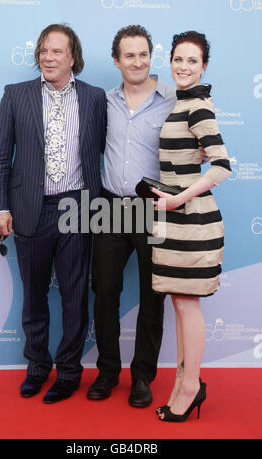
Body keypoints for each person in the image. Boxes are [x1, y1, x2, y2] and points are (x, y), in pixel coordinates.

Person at [0, 24, 107, 403]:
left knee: (75, 296)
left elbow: (117, 145)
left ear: (73, 57)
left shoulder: (95, 98)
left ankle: (69, 372)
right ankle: (37, 367)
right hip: (29, 210)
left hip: (78, 207)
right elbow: (0, 156)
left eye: (57, 51)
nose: (48, 57)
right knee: (34, 296)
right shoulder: (16, 95)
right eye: (43, 50)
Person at [87, 25, 176, 407]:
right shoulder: (103, 102)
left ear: (150, 56)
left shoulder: (172, 100)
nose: (137, 62)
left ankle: (142, 377)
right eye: (129, 55)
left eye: (143, 54)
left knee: (152, 295)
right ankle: (107, 372)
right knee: (104, 291)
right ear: (116, 60)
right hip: (109, 206)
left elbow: (193, 144)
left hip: (152, 209)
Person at [152, 31, 231, 422]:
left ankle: (191, 385)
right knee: (181, 304)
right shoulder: (185, 103)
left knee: (187, 305)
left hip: (192, 220)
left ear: (203, 67)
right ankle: (185, 380)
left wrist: (179, 198)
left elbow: (222, 165)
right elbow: (191, 155)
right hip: (173, 219)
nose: (183, 67)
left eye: (192, 61)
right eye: (178, 59)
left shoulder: (197, 105)